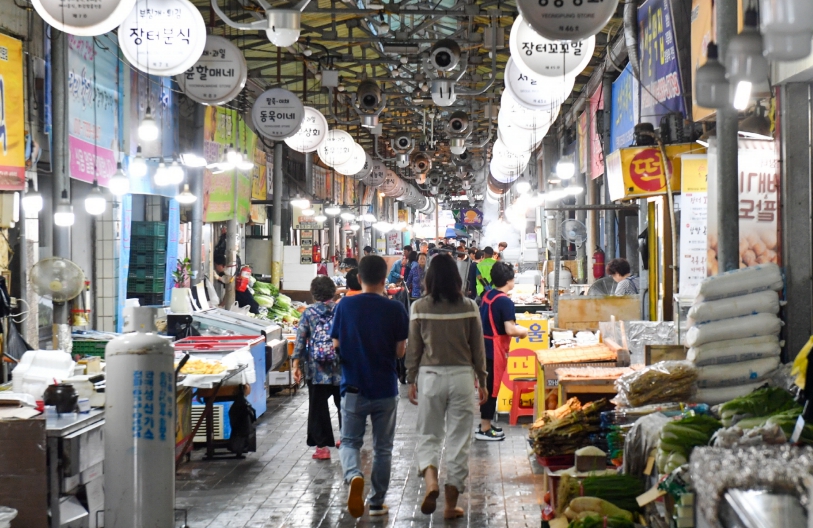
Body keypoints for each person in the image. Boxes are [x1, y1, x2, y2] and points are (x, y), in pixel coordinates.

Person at [406, 254, 488, 519]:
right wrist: (483, 380)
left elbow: (414, 348)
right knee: (459, 439)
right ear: (457, 278)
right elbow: (478, 348)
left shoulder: (419, 307)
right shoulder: (469, 306)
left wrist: (411, 379)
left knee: (428, 433)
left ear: (429, 278)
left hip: (430, 377)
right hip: (462, 377)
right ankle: (451, 506)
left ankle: (431, 481)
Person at [331, 255, 410, 518]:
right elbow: (400, 352)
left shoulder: (345, 305)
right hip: (385, 388)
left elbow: (336, 345)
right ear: (384, 279)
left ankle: (354, 475)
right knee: (383, 447)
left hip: (353, 385)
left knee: (350, 442)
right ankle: (376, 503)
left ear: (359, 278)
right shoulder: (395, 309)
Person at [477, 262, 529, 441]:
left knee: (487, 386)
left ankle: (485, 423)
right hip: (494, 350)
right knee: (492, 389)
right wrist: (524, 331)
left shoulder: (488, 295)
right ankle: (485, 429)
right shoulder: (504, 301)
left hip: (483, 347)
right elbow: (510, 329)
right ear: (508, 280)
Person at [292, 277, 341, 460]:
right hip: (340, 366)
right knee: (344, 405)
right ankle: (346, 439)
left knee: (318, 407)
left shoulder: (309, 313)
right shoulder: (340, 310)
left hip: (316, 368)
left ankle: (322, 448)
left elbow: (300, 339)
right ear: (333, 291)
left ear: (313, 293)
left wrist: (295, 364)